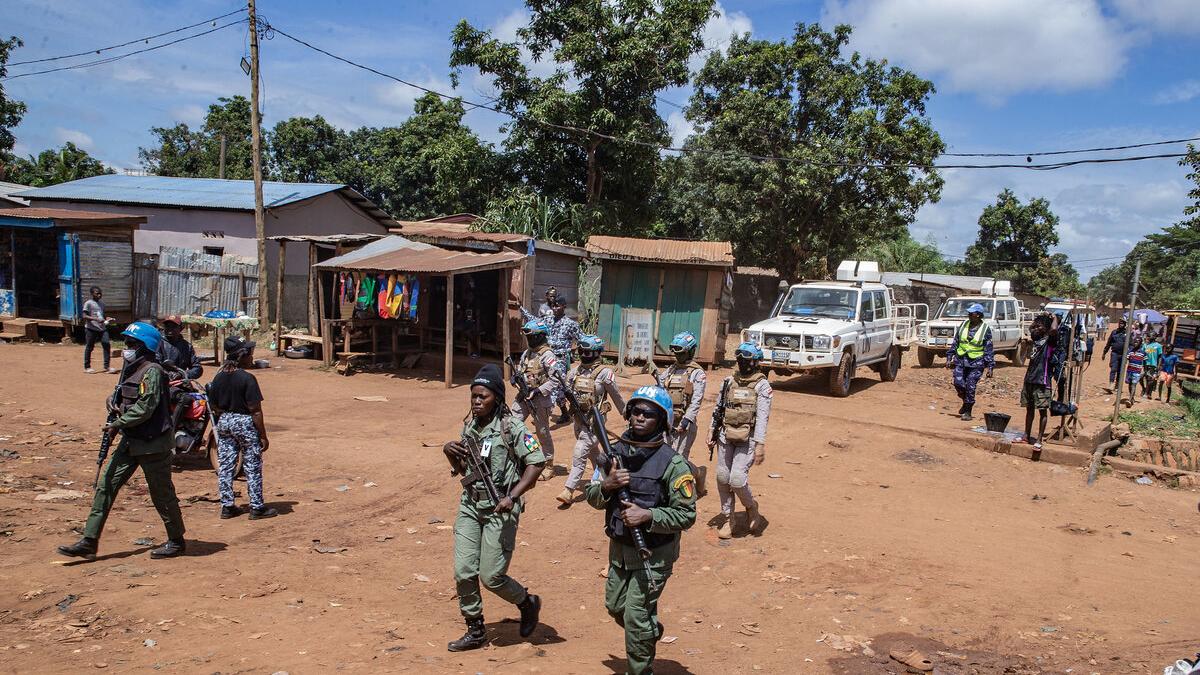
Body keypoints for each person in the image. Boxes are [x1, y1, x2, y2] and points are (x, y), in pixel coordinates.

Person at [584, 385, 697, 675]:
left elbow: (687, 514)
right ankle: (648, 629)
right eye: (635, 411)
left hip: (654, 554)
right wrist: (607, 486)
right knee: (615, 606)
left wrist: (648, 514)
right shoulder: (613, 454)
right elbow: (594, 497)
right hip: (620, 550)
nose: (640, 417)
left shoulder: (673, 463)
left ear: (661, 420)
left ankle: (641, 669)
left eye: (648, 413)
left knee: (635, 617)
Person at [58, 322, 186, 560]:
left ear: (144, 346)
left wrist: (117, 424)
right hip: (131, 440)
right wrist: (112, 403)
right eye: (127, 343)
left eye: (131, 344)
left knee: (162, 494)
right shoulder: (131, 367)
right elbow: (124, 395)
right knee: (106, 486)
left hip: (153, 444)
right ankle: (89, 539)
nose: (126, 348)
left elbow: (145, 407)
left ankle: (177, 540)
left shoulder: (153, 371)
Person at [443, 364, 545, 652]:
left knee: (491, 577)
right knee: (464, 570)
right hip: (471, 506)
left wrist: (512, 496)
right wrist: (450, 453)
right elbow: (464, 468)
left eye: (482, 396)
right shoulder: (470, 425)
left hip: (500, 508)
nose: (476, 401)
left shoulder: (511, 427)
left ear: (497, 398)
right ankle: (475, 630)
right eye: (473, 396)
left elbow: (536, 462)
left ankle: (527, 602)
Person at [708, 342, 772, 539]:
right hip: (725, 435)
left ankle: (751, 507)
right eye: (740, 358)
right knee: (721, 477)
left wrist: (760, 444)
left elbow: (762, 417)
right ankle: (729, 519)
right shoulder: (728, 381)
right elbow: (718, 408)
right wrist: (711, 430)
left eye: (747, 358)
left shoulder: (763, 386)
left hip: (748, 438)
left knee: (736, 479)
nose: (743, 362)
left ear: (756, 361)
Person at [208, 335, 276, 520]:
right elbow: (255, 410)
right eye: (250, 354)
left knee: (226, 466)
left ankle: (227, 506)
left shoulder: (218, 377)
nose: (252, 358)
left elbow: (213, 405)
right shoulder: (247, 378)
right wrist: (263, 436)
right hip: (244, 423)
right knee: (252, 465)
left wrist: (226, 415)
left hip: (224, 422)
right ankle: (256, 507)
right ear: (242, 355)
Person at [557, 334, 625, 506]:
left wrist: (627, 413)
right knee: (595, 454)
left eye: (588, 351)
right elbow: (566, 391)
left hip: (595, 422)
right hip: (578, 421)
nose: (584, 354)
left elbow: (616, 396)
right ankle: (605, 480)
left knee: (580, 452)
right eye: (582, 351)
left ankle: (568, 490)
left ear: (597, 352)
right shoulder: (574, 371)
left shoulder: (605, 373)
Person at [512, 319, 560, 481]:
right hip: (523, 397)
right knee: (512, 425)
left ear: (540, 336)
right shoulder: (527, 353)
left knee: (543, 432)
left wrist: (538, 390)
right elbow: (521, 370)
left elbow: (556, 380)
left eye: (531, 336)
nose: (529, 339)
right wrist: (515, 379)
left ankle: (548, 464)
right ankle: (519, 458)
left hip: (539, 400)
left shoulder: (548, 355)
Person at [523, 297, 582, 423]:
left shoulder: (571, 324)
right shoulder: (548, 320)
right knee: (559, 387)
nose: (554, 308)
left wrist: (579, 352)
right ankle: (566, 413)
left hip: (560, 360)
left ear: (564, 306)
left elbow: (581, 339)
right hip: (546, 356)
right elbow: (534, 320)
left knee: (554, 385)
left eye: (558, 306)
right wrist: (521, 308)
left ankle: (544, 415)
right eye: (553, 306)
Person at [652, 331, 707, 463]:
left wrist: (686, 421)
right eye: (676, 353)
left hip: (684, 425)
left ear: (691, 352)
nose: (677, 356)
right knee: (662, 457)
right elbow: (659, 388)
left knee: (678, 461)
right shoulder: (671, 369)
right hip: (667, 422)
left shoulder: (697, 373)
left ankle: (696, 476)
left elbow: (696, 401)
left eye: (681, 353)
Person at [946, 303, 994, 421]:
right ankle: (965, 401)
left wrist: (990, 366)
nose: (969, 315)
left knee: (970, 386)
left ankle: (968, 411)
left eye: (971, 313)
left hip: (976, 362)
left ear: (978, 315)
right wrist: (949, 357)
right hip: (961, 359)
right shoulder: (964, 325)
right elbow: (956, 342)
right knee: (958, 383)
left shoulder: (985, 329)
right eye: (968, 313)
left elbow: (988, 348)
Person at [1022, 314, 1060, 452]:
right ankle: (1026, 435)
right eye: (1036, 326)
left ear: (1046, 328)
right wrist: (1039, 318)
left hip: (1042, 381)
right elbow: (1031, 327)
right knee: (1029, 409)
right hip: (1030, 379)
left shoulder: (1049, 341)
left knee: (1042, 412)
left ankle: (1038, 440)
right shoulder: (1035, 339)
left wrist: (1054, 317)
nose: (1036, 328)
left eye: (1040, 326)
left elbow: (1054, 330)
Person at [82, 286, 116, 374]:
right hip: (91, 328)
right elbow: (84, 316)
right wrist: (96, 319)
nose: (99, 295)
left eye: (100, 293)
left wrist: (108, 319)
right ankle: (87, 367)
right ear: (92, 294)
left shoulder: (102, 304)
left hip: (102, 329)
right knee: (89, 347)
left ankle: (107, 366)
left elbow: (102, 316)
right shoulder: (88, 303)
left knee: (106, 344)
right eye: (97, 293)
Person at [157, 315, 203, 380]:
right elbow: (155, 364)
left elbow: (197, 368)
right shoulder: (158, 343)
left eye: (174, 326)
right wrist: (167, 374)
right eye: (167, 326)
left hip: (180, 382)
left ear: (181, 328)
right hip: (161, 381)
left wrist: (182, 374)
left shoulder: (187, 346)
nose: (170, 328)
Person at [1102, 319, 1127, 391]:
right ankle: (1111, 384)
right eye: (1120, 323)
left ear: (1125, 324)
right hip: (1114, 353)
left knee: (1120, 370)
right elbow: (1109, 343)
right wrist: (1104, 352)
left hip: (1123, 354)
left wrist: (1128, 354)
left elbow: (1130, 344)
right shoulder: (1114, 332)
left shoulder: (1127, 333)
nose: (1120, 324)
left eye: (1122, 323)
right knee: (1113, 369)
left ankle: (1118, 385)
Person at [1123, 337, 1146, 408]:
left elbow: (1145, 363)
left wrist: (1144, 371)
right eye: (1135, 342)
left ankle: (1129, 399)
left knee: (1133, 385)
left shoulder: (1143, 353)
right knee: (1130, 385)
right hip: (1129, 371)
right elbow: (1125, 360)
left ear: (1140, 343)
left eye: (1137, 342)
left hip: (1137, 371)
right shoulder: (1130, 352)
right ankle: (1132, 398)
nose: (1136, 343)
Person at [1141, 334, 1162, 399]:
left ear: (1155, 337)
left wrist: (1158, 365)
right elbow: (1142, 354)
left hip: (1153, 364)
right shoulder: (1145, 345)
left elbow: (1160, 356)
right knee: (1140, 377)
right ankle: (1144, 389)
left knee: (1149, 379)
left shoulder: (1158, 346)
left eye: (1151, 336)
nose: (1149, 337)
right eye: (1149, 336)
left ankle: (1147, 393)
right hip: (1144, 364)